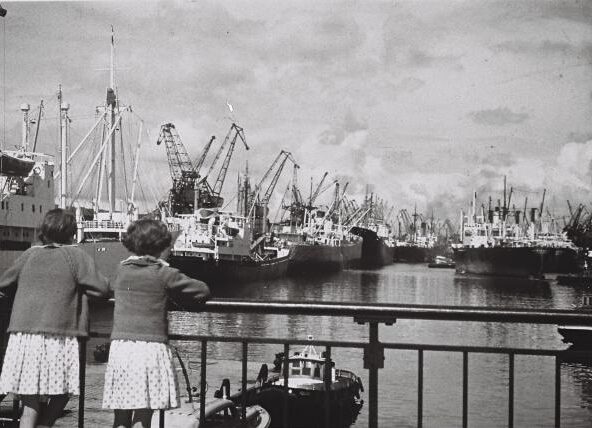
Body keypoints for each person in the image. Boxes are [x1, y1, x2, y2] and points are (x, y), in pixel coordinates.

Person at [0, 208, 110, 428]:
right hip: (59, 333)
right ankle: (45, 425)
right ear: (71, 232)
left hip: (24, 334)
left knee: (29, 399)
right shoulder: (76, 256)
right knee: (63, 390)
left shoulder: (30, 254)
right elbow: (102, 289)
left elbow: (4, 283)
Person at [102, 218, 210, 428]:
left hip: (121, 349)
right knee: (143, 416)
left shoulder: (121, 270)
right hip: (149, 349)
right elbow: (202, 290)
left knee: (121, 417)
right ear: (160, 246)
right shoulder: (163, 273)